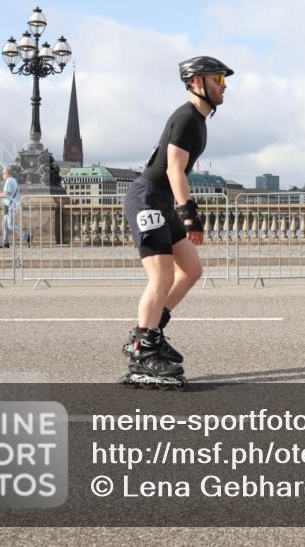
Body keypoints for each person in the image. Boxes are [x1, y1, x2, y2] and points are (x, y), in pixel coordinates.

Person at [120, 56, 233, 389]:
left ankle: (151, 333)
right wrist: (190, 216)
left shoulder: (199, 120)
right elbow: (173, 169)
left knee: (192, 270)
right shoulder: (186, 118)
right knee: (162, 276)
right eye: (219, 80)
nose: (224, 86)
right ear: (198, 82)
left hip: (162, 201)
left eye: (225, 81)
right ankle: (142, 352)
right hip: (148, 198)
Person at [0, 166, 30, 248]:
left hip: (9, 205)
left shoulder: (9, 181)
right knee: (4, 224)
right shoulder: (14, 180)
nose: (2, 175)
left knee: (10, 225)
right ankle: (5, 243)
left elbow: (7, 193)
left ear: (7, 174)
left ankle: (27, 236)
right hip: (9, 205)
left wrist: (0, 194)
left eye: (3, 173)